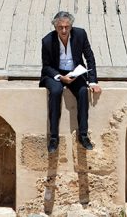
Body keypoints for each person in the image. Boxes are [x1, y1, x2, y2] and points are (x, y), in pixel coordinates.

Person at [40, 11, 101, 153]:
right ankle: (54, 138)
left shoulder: (80, 34)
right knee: (55, 92)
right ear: (55, 27)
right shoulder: (47, 41)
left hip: (75, 72)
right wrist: (61, 78)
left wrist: (92, 82)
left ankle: (83, 135)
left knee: (82, 91)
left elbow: (89, 58)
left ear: (71, 26)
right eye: (60, 27)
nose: (63, 30)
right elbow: (46, 66)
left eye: (67, 27)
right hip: (56, 73)